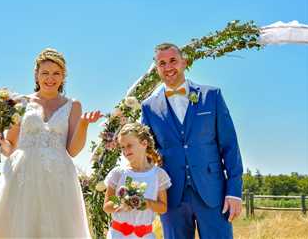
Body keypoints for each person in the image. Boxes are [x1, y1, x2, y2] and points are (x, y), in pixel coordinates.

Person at [0, 48, 101, 238]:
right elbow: (10, 147)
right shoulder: (20, 102)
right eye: (45, 73)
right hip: (23, 176)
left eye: (56, 73)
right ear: (36, 75)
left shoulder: (73, 105)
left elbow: (72, 150)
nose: (50, 78)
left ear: (63, 76)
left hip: (59, 177)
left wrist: (83, 124)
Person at [140, 43, 243, 239]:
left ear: (184, 63)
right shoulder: (148, 107)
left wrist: (234, 192)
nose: (168, 67)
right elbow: (146, 153)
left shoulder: (211, 96)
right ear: (156, 69)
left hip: (213, 193)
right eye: (162, 63)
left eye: (173, 61)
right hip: (171, 197)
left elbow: (230, 146)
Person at [103, 122, 172, 239]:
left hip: (145, 235)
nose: (125, 151)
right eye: (122, 147)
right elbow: (107, 206)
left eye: (129, 145)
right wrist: (122, 201)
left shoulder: (158, 175)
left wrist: (146, 203)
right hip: (118, 234)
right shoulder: (119, 173)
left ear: (144, 143)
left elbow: (163, 207)